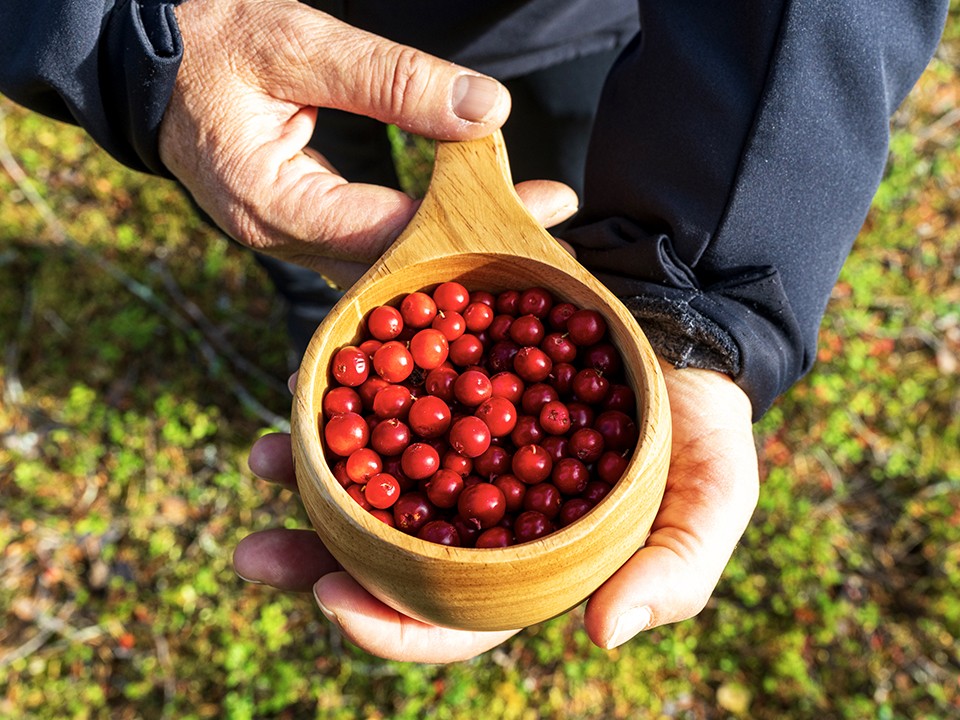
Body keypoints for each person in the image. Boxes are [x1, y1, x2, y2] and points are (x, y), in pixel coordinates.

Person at [0, 0, 948, 663]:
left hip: (559, 16)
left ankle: (318, 321)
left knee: (564, 155)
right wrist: (142, 30)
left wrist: (694, 285)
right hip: (233, 13)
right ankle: (310, 325)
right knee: (310, 228)